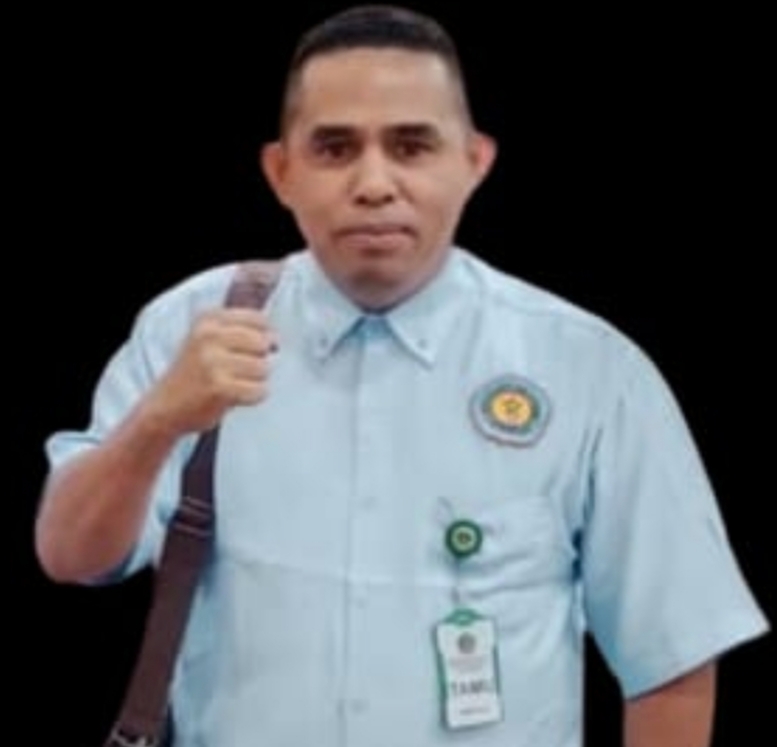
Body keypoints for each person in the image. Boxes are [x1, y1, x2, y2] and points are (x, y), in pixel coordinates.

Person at [35, 5, 768, 746]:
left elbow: (671, 658)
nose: (374, 183)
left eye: (412, 146)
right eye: (334, 148)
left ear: (474, 162)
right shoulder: (189, 329)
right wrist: (156, 423)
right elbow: (70, 556)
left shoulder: (588, 368)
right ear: (281, 172)